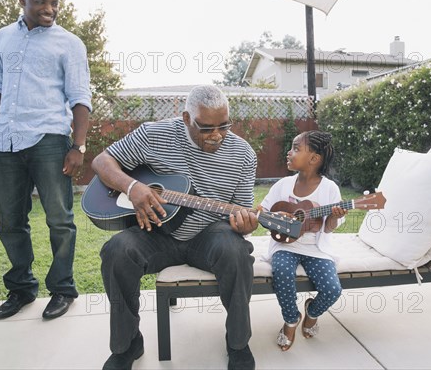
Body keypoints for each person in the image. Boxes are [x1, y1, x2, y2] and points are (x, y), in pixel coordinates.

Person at [92, 85, 258, 370]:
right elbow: (101, 161)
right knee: (117, 251)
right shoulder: (153, 135)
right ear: (186, 118)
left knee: (237, 250)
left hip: (210, 234)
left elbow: (241, 214)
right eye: (206, 128)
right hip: (156, 234)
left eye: (224, 126)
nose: (217, 135)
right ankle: (127, 344)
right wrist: (132, 187)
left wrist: (246, 225)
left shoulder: (243, 154)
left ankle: (238, 344)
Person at [0, 0, 92, 320]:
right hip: (7, 140)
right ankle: (21, 288)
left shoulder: (69, 43)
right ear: (22, 0)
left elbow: (80, 98)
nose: (49, 9)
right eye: (40, 1)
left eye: (54, 2)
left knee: (59, 219)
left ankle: (62, 288)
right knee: (10, 222)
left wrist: (78, 146)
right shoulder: (3, 37)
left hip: (49, 137)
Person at [257, 130, 346, 351]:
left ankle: (312, 312)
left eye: (296, 148)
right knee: (282, 273)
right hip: (285, 246)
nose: (289, 152)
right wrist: (278, 218)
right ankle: (291, 320)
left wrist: (333, 217)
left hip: (315, 248)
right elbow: (262, 211)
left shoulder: (329, 189)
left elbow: (329, 228)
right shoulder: (283, 185)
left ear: (314, 159)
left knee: (332, 289)